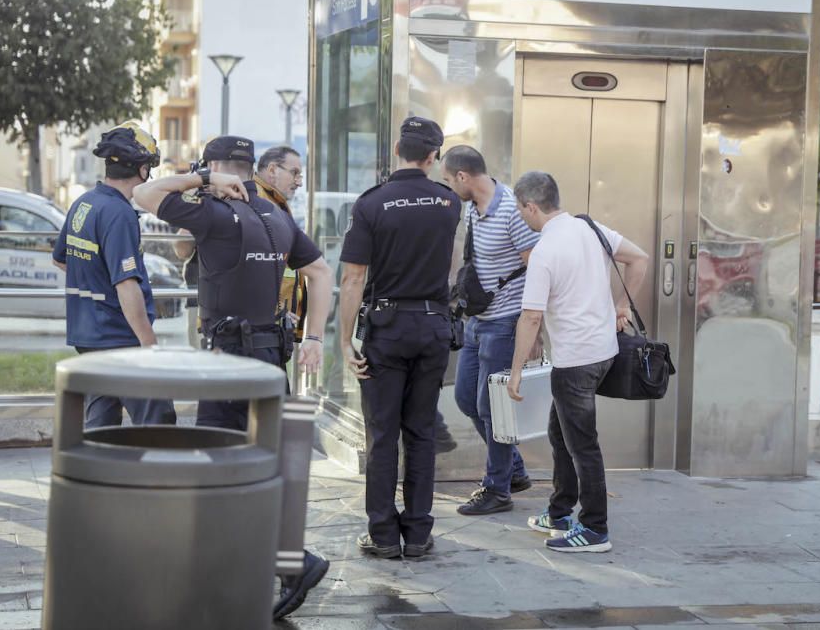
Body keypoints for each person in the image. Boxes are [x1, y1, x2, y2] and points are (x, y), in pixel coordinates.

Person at [133, 136, 334, 621]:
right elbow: (321, 272)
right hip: (269, 361)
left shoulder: (217, 215)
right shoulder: (278, 217)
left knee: (221, 473)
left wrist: (202, 181)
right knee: (262, 467)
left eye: (208, 168)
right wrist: (314, 339)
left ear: (221, 167)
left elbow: (143, 194)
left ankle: (282, 563)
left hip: (228, 364)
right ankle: (276, 564)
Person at [506, 171, 649, 553]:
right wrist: (620, 304)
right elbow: (639, 259)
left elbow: (531, 317)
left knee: (582, 444)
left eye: (521, 210)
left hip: (575, 362)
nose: (522, 217)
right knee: (561, 433)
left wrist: (517, 371)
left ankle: (595, 529)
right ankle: (559, 513)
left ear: (531, 206)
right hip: (603, 352)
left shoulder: (545, 252)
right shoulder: (589, 228)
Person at [339, 117, 461, 559]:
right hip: (432, 326)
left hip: (386, 330)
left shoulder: (372, 203)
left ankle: (384, 535)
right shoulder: (449, 202)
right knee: (422, 432)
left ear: (396, 149)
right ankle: (419, 533)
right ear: (433, 157)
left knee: (383, 433)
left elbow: (353, 278)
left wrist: (343, 338)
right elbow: (448, 267)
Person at [52, 121, 176, 429]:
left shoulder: (84, 203)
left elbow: (63, 260)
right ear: (143, 170)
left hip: (89, 336)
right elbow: (126, 285)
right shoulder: (118, 213)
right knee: (157, 421)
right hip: (120, 339)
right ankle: (155, 477)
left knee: (102, 423)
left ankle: (93, 476)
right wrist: (149, 344)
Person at [440, 146, 540, 515]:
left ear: (464, 177)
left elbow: (536, 269)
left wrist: (533, 328)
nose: (449, 187)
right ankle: (512, 467)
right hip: (477, 321)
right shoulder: (472, 208)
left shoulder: (513, 210)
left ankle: (497, 488)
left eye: (450, 180)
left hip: (506, 322)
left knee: (492, 408)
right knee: (467, 398)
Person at [255, 145, 308, 342]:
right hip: (265, 328)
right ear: (272, 170)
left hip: (274, 325)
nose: (299, 182)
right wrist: (276, 311)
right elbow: (254, 266)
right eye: (294, 173)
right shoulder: (259, 203)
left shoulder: (274, 203)